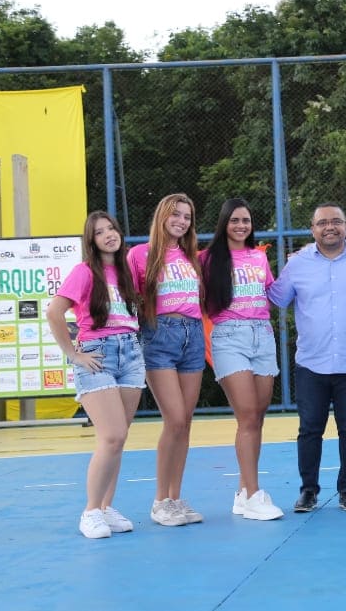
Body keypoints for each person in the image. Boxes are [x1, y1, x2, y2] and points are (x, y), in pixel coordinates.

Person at [268, 203, 346, 513]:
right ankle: (308, 491)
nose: (330, 227)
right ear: (312, 229)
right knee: (309, 429)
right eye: (322, 223)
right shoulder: (298, 264)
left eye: (336, 222)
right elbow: (275, 297)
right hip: (311, 363)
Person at [46, 211, 145, 539]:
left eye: (112, 229)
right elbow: (54, 311)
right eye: (100, 232)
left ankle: (105, 507)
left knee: (120, 438)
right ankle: (90, 511)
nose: (108, 235)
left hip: (131, 353)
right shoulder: (85, 271)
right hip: (99, 355)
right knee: (112, 436)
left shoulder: (126, 272)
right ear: (92, 240)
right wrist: (73, 354)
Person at [201, 198, 284, 521]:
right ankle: (253, 494)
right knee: (247, 415)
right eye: (235, 220)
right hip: (229, 337)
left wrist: (301, 264)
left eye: (246, 221)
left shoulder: (258, 257)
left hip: (262, 335)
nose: (241, 226)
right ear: (224, 223)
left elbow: (274, 293)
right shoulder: (207, 260)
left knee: (257, 417)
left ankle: (242, 493)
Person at [127, 193, 205, 527]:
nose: (181, 221)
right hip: (160, 334)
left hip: (193, 335)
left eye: (187, 216)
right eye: (176, 215)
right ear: (162, 216)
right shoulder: (139, 254)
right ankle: (160, 500)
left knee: (185, 421)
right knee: (173, 419)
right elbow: (125, 295)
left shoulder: (192, 256)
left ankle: (175, 497)